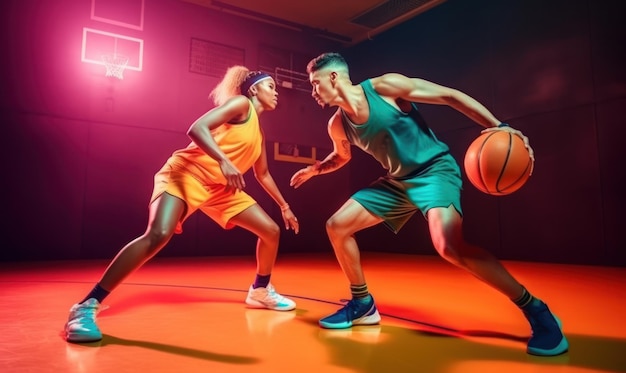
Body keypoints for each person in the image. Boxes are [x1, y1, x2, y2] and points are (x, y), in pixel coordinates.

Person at [290, 52, 568, 356]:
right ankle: (362, 305)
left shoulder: (385, 87)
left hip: (434, 170)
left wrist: (499, 126)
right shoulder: (337, 125)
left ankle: (537, 311)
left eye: (315, 84)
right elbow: (341, 156)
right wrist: (315, 169)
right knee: (337, 226)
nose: (313, 92)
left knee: (449, 246)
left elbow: (450, 96)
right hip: (398, 182)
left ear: (333, 77)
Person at [65, 66, 300, 343]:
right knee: (158, 234)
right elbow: (196, 128)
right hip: (186, 173)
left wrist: (284, 206)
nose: (276, 93)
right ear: (254, 89)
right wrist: (224, 161)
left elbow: (263, 175)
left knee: (270, 231)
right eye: (270, 86)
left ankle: (260, 291)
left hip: (220, 188)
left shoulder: (258, 133)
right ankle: (85, 306)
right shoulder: (241, 104)